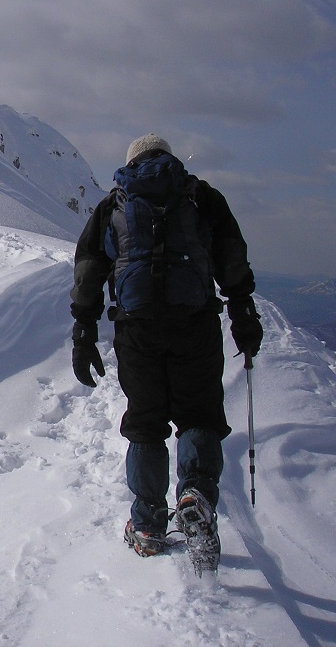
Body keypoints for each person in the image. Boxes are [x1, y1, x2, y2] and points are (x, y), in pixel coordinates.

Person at [69, 134, 263, 570]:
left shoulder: (113, 203)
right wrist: (243, 313)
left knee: (146, 423)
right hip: (195, 323)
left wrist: (83, 330)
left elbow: (88, 270)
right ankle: (195, 496)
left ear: (131, 162)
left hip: (137, 332)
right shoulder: (199, 195)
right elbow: (232, 258)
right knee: (198, 416)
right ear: (168, 158)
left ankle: (149, 525)